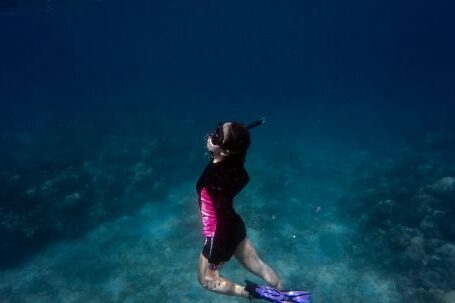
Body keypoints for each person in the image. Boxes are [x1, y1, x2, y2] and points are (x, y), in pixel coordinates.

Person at [196, 120, 284, 299]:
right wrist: (244, 130)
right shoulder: (234, 161)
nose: (211, 135)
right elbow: (235, 142)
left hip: (218, 234)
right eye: (217, 128)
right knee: (259, 266)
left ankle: (256, 293)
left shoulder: (215, 180)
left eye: (217, 136)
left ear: (226, 150)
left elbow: (221, 217)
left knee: (207, 280)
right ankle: (284, 294)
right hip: (234, 226)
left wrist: (215, 257)